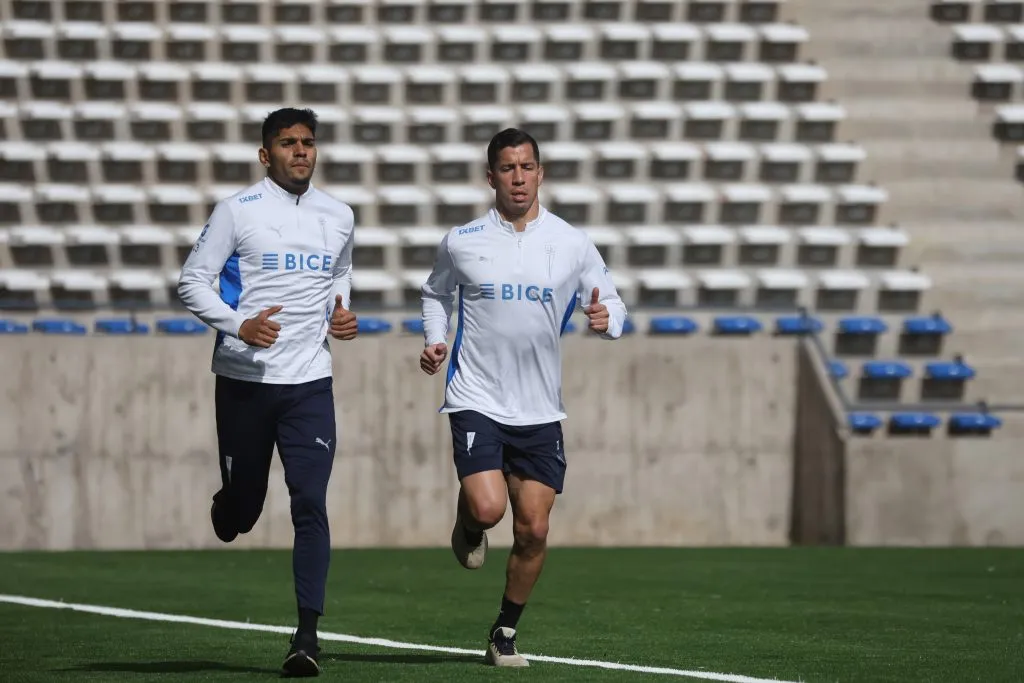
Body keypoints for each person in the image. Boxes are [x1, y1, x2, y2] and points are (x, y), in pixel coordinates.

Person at [418, 128, 628, 667]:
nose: (518, 177)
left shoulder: (572, 242)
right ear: (491, 177)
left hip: (539, 407)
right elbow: (435, 293)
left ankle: (503, 634)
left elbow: (613, 302)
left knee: (533, 528)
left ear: (541, 173)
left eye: (527, 167)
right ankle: (468, 523)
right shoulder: (462, 240)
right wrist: (434, 338)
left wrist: (606, 322)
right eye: (507, 168)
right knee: (489, 509)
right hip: (476, 396)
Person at [177, 107, 358, 678]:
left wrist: (341, 313)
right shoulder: (236, 211)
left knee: (310, 502)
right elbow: (191, 281)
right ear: (265, 154)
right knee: (246, 512)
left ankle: (306, 636)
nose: (301, 151)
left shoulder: (340, 214)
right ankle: (230, 503)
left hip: (309, 384)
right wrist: (238, 324)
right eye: (287, 143)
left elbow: (338, 274)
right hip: (245, 383)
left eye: (308, 142)